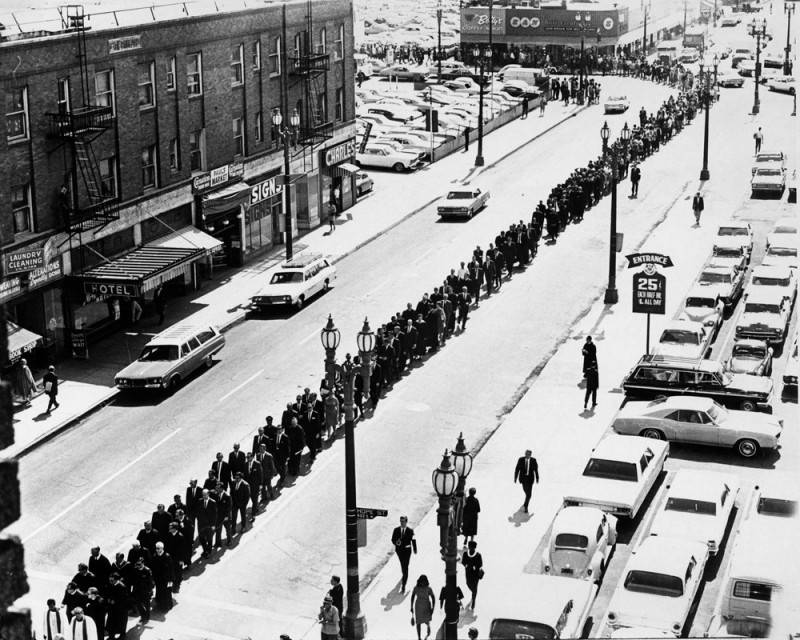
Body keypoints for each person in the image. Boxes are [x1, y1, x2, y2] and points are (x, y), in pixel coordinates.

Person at [391, 515, 417, 592]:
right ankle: (404, 582)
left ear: (406, 521)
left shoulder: (410, 530)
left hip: (407, 551)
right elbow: (393, 539)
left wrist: (415, 549)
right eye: (401, 521)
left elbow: (413, 540)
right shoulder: (396, 530)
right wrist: (396, 542)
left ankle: (404, 582)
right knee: (404, 565)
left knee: (405, 566)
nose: (402, 523)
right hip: (399, 551)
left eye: (403, 521)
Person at [410, 575, 435, 640]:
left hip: (427, 607)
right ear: (419, 581)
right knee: (418, 622)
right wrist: (411, 607)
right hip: (418, 607)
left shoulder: (428, 588)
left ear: (426, 582)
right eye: (422, 582)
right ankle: (419, 637)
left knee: (427, 620)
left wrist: (433, 608)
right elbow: (412, 596)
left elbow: (433, 597)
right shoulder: (416, 588)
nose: (423, 583)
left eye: (424, 582)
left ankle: (428, 626)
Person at [461, 541, 484, 610]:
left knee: (474, 587)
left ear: (474, 548)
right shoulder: (465, 554)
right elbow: (463, 562)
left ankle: (473, 600)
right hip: (468, 573)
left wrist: (475, 567)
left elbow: (480, 564)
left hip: (475, 574)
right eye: (470, 547)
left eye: (472, 548)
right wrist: (466, 565)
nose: (471, 549)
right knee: (468, 584)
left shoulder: (478, 555)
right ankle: (474, 593)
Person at [196, 489, 217, 558]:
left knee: (209, 538)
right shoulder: (199, 501)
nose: (204, 496)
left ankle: (209, 551)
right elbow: (198, 512)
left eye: (205, 495)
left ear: (208, 494)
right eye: (203, 495)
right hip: (201, 524)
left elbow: (214, 514)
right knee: (201, 538)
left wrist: (213, 525)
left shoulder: (213, 502)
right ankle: (205, 550)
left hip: (209, 524)